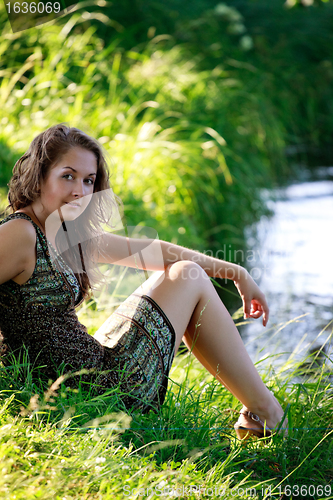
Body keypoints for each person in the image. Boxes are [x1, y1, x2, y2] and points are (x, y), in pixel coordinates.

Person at [0, 123, 286, 439]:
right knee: (190, 278)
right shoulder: (21, 233)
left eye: (88, 180)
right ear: (40, 176)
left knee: (185, 271)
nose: (79, 191)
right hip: (102, 393)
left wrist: (237, 272)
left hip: (81, 375)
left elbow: (157, 253)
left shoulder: (59, 231)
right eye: (67, 176)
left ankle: (261, 414)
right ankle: (267, 414)